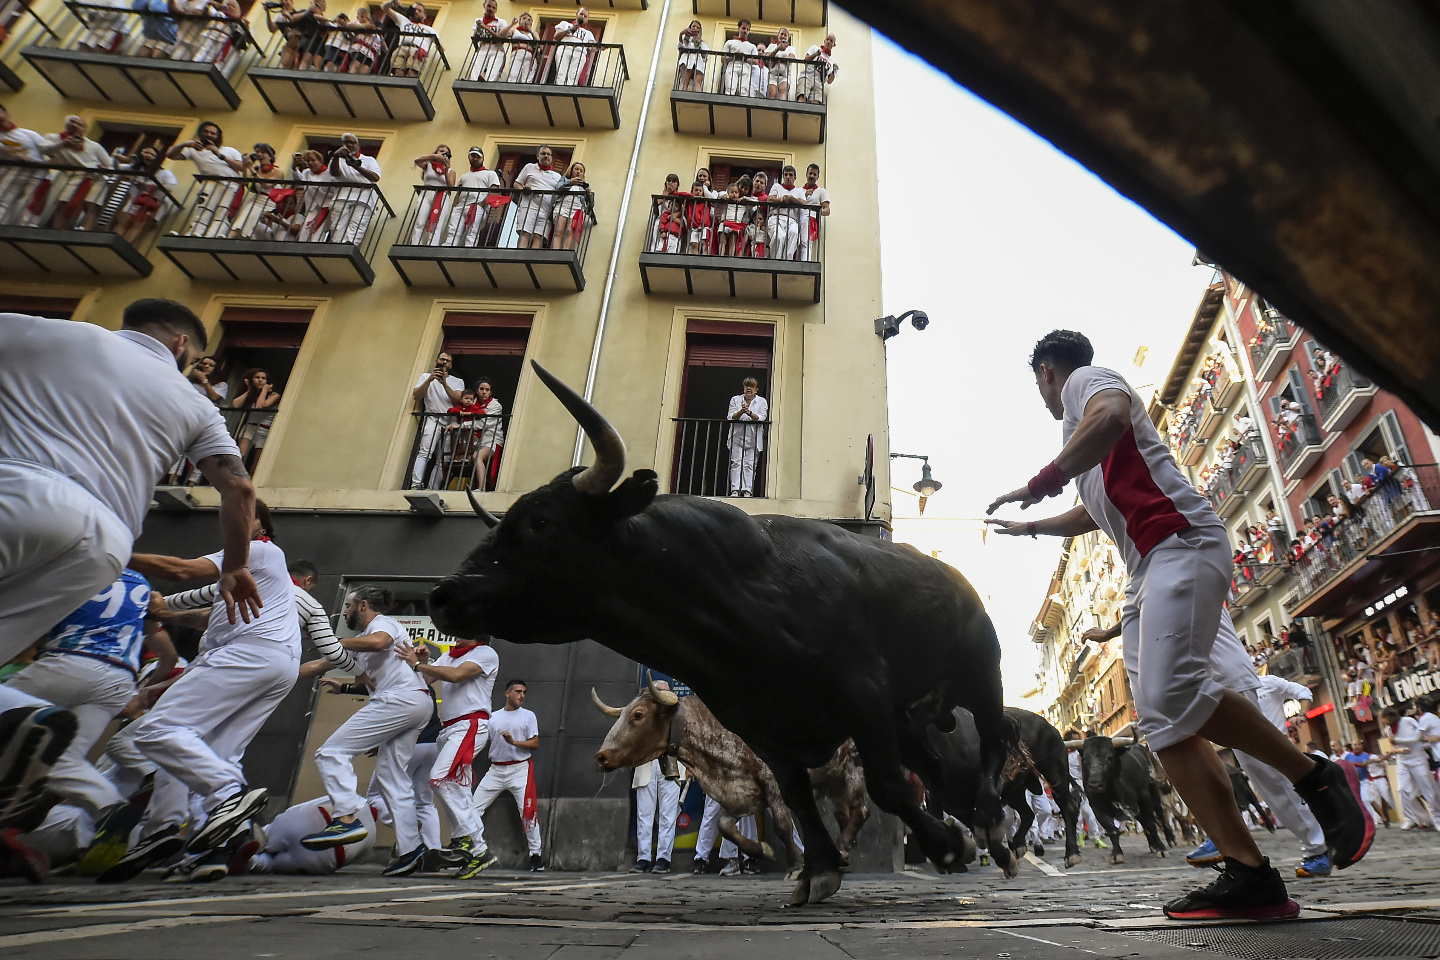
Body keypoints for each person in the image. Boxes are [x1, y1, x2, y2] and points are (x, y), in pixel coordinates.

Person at [985, 330, 1370, 921]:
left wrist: (1039, 483)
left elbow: (1112, 414)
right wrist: (1034, 527)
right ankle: (1249, 876)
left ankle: (1319, 778)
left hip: (1181, 543)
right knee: (1163, 726)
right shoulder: (1080, 437)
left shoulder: (1087, 386)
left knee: (1173, 693)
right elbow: (1093, 511)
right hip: (1146, 568)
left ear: (1046, 372)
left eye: (1040, 379)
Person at [0, 300, 257, 831]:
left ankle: (14, 719)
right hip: (107, 540)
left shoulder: (54, 334)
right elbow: (239, 486)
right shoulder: (194, 403)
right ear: (182, 346)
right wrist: (234, 566)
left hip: (17, 490)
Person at [98, 501, 297, 883]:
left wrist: (115, 552)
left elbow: (181, 570)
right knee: (206, 751)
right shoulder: (258, 570)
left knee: (158, 732)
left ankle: (227, 798)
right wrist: (166, 615)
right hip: (275, 662)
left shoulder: (256, 551)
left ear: (260, 526)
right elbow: (207, 615)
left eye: (246, 515)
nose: (236, 519)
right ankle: (199, 843)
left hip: (247, 655)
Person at [6, 571, 175, 870]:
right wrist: (144, 690)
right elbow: (168, 654)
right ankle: (109, 806)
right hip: (118, 679)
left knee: (11, 721)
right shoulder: (141, 583)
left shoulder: (76, 567)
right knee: (61, 758)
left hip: (69, 662)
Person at [301, 585, 432, 877]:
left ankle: (346, 817)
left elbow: (380, 643)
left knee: (331, 752)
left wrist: (338, 641)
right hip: (414, 702)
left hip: (400, 699)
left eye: (348, 606)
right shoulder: (360, 640)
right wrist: (273, 675)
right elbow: (317, 666)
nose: (345, 612)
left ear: (362, 606)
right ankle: (411, 850)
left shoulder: (382, 623)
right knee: (391, 778)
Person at [400, 636, 499, 879]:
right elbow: (427, 679)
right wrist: (423, 662)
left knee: (440, 779)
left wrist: (418, 664)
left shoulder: (485, 653)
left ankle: (467, 840)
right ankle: (478, 850)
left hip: (470, 724)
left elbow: (455, 676)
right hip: (451, 729)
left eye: (459, 627)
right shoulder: (450, 655)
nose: (454, 632)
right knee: (457, 787)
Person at [472, 679, 544, 872]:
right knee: (472, 808)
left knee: (528, 813)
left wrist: (514, 742)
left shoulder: (528, 716)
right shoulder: (493, 718)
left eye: (524, 692)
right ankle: (474, 851)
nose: (522, 695)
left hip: (520, 769)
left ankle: (536, 855)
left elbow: (535, 743)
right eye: (518, 691)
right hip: (495, 769)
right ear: (507, 693)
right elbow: (481, 741)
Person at [248, 797, 377, 874]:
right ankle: (251, 862)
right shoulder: (372, 838)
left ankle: (240, 840)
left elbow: (304, 806)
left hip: (314, 822)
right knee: (271, 864)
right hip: (326, 860)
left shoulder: (357, 800)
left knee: (265, 838)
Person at [167, 121, 246, 238]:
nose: (209, 135)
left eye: (213, 133)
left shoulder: (229, 150)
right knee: (204, 208)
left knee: (223, 210)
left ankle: (215, 234)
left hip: (232, 184)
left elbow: (242, 167)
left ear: (218, 136)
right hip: (209, 182)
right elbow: (170, 155)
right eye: (206, 132)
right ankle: (195, 233)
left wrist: (219, 154)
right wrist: (184, 144)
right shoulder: (193, 150)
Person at [38, 116, 112, 232]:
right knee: (64, 203)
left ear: (84, 129)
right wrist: (63, 144)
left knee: (89, 205)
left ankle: (84, 230)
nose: (75, 125)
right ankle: (57, 230)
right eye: (72, 122)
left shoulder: (94, 146)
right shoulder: (54, 138)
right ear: (66, 124)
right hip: (70, 176)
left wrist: (102, 167)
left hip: (93, 177)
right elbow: (43, 149)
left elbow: (109, 164)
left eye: (79, 124)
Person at [409, 351, 464, 488]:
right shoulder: (425, 376)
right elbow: (416, 396)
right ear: (436, 361)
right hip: (432, 419)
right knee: (425, 453)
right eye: (442, 359)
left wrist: (444, 383)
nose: (445, 362)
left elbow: (458, 400)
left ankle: (432, 488)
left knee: (443, 460)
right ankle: (416, 485)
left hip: (449, 422)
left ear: (451, 365)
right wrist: (430, 380)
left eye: (448, 361)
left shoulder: (457, 381)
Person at [111, 143, 180, 245]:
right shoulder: (134, 168)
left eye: (152, 155)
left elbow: (171, 186)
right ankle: (113, 243)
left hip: (150, 204)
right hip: (134, 201)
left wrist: (152, 185)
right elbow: (114, 167)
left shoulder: (165, 173)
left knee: (138, 225)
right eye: (146, 152)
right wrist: (120, 157)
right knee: (123, 221)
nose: (148, 156)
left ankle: (123, 246)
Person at [1383, 705, 1439, 829]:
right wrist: (1399, 750)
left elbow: (1418, 737)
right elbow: (1395, 746)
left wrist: (1425, 743)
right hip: (1402, 760)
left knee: (1428, 790)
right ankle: (1413, 819)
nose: (1386, 721)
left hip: (1417, 758)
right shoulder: (1388, 730)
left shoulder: (1408, 721)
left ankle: (1437, 819)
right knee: (1402, 789)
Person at [326, 133, 382, 245]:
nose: (350, 145)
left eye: (352, 142)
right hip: (341, 197)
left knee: (356, 227)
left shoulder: (368, 160)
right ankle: (336, 248)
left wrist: (355, 166)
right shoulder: (337, 160)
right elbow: (334, 173)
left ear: (358, 145)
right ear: (342, 145)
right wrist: (336, 156)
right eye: (346, 143)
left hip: (364, 198)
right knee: (337, 226)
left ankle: (348, 248)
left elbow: (375, 177)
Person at [444, 146, 504, 247]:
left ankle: (468, 252)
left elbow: (494, 190)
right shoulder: (464, 176)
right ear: (469, 157)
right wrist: (456, 205)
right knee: (453, 231)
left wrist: (481, 204)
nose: (475, 159)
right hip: (461, 207)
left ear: (483, 158)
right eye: (473, 156)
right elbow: (459, 193)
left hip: (476, 206)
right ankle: (449, 249)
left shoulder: (490, 174)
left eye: (478, 157)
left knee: (472, 232)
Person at [513, 145, 566, 249]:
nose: (546, 156)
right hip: (529, 207)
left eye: (548, 154)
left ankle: (532, 261)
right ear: (537, 156)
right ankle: (520, 257)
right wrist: (524, 189)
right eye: (543, 153)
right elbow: (516, 184)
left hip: (546, 211)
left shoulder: (557, 176)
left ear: (551, 157)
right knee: (525, 233)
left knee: (539, 236)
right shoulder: (529, 167)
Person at [631, 756, 678, 873]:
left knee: (668, 816)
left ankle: (663, 858)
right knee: (643, 815)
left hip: (672, 761)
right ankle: (643, 857)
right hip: (646, 761)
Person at [232, 368, 281, 470]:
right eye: (257, 377)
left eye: (263, 378)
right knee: (241, 454)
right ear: (251, 380)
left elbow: (260, 406)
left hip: (264, 430)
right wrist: (249, 390)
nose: (260, 380)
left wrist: (264, 390)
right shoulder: (250, 394)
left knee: (257, 462)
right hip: (249, 427)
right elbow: (235, 405)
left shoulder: (275, 395)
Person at [727, 377, 768, 497]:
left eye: (751, 386)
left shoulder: (762, 402)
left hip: (753, 439)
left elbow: (761, 418)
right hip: (737, 437)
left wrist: (749, 412)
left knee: (749, 464)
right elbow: (731, 417)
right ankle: (735, 490)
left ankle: (747, 490)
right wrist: (742, 411)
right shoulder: (735, 399)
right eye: (746, 386)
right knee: (736, 463)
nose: (748, 388)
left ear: (756, 389)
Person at [410, 144, 456, 245]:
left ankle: (432, 245)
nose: (443, 153)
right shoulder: (428, 165)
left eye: (446, 152)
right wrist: (433, 157)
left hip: (442, 196)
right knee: (420, 221)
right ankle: (415, 245)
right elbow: (417, 160)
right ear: (436, 152)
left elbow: (451, 187)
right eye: (441, 151)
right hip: (426, 194)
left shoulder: (450, 171)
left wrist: (446, 169)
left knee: (437, 224)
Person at [382, 0, 440, 78]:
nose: (416, 12)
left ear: (424, 16)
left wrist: (427, 52)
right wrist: (392, 2)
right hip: (402, 48)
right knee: (398, 74)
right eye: (415, 9)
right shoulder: (404, 21)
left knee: (411, 75)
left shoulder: (429, 29)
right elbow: (384, 7)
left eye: (419, 11)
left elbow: (439, 45)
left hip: (417, 50)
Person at [1342, 741, 1391, 828]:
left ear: (1362, 746)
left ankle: (1371, 821)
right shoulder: (1348, 756)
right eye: (1355, 745)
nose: (1356, 747)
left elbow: (1364, 765)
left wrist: (1355, 764)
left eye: (1358, 745)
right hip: (1353, 782)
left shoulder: (1366, 755)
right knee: (1367, 800)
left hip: (1365, 780)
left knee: (1367, 799)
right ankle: (1382, 818)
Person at [765, 165, 806, 261]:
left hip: (792, 220)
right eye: (786, 175)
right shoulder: (777, 186)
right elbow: (770, 199)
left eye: (790, 175)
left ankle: (788, 260)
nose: (788, 177)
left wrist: (792, 199)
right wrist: (782, 199)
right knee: (779, 236)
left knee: (795, 232)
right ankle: (776, 260)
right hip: (776, 218)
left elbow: (804, 203)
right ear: (783, 177)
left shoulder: (799, 191)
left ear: (795, 178)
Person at [552, 161, 592, 252]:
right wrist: (570, 182)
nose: (578, 172)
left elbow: (591, 205)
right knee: (559, 230)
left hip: (576, 209)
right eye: (576, 169)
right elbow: (557, 189)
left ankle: (565, 252)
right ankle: (555, 252)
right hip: (563, 206)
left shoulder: (585, 186)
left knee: (570, 231)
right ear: (571, 170)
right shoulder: (564, 180)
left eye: (581, 170)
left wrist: (589, 194)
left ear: (583, 174)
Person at [552, 7, 596, 86]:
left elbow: (593, 48)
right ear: (576, 14)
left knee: (573, 77)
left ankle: (568, 93)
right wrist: (570, 29)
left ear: (587, 20)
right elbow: (556, 36)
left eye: (585, 16)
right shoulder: (565, 24)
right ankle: (559, 91)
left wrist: (601, 47)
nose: (582, 17)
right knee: (561, 74)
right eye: (581, 14)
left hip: (579, 53)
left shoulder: (588, 33)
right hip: (565, 49)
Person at [468, 0, 508, 81]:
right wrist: (479, 28)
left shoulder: (501, 22)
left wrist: (485, 27)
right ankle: (474, 82)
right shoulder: (478, 20)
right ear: (484, 5)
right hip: (483, 47)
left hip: (497, 48)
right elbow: (476, 36)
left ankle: (489, 83)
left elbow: (501, 37)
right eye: (489, 6)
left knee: (493, 70)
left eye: (493, 7)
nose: (491, 9)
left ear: (496, 10)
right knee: (477, 68)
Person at [797, 163, 829, 262]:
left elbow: (827, 210)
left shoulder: (821, 191)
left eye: (814, 174)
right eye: (810, 173)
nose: (812, 176)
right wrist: (804, 195)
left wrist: (816, 210)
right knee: (796, 240)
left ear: (818, 177)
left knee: (806, 242)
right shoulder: (799, 190)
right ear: (806, 174)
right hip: (797, 218)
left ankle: (805, 262)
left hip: (809, 219)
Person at [721, 19, 759, 96]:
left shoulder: (752, 46)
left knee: (744, 90)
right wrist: (734, 55)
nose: (745, 31)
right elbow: (722, 59)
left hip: (746, 66)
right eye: (744, 28)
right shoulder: (730, 42)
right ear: (738, 28)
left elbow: (756, 61)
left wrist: (744, 57)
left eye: (748, 29)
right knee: (730, 88)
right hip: (732, 65)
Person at [796, 33, 837, 102]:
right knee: (801, 99)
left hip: (818, 84)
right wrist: (815, 54)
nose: (829, 42)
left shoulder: (832, 61)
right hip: (807, 77)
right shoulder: (815, 48)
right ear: (824, 41)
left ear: (834, 45)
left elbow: (829, 81)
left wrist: (834, 70)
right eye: (827, 39)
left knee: (815, 105)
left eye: (831, 41)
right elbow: (806, 60)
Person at [500, 12, 539, 83]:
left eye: (528, 19)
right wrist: (511, 24)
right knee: (513, 75)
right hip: (517, 53)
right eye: (524, 18)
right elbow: (502, 35)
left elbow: (538, 42)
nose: (526, 21)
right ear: (520, 21)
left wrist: (529, 29)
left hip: (529, 55)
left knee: (527, 79)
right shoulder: (514, 30)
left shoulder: (533, 33)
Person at [651, 174, 685, 253]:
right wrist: (666, 193)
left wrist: (676, 215)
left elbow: (683, 209)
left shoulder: (679, 196)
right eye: (669, 181)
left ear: (677, 185)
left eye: (673, 182)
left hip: (672, 220)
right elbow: (657, 203)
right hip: (662, 218)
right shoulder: (663, 194)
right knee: (657, 232)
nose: (671, 183)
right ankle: (654, 251)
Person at [346, 5, 385, 74]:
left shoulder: (375, 33)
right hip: (360, 48)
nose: (364, 18)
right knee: (356, 64)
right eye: (362, 16)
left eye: (366, 17)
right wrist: (364, 26)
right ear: (358, 17)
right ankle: (350, 78)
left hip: (371, 53)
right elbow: (349, 26)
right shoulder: (358, 25)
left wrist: (380, 34)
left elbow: (385, 48)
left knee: (365, 69)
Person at [764, 27, 797, 100]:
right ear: (778, 35)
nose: (783, 36)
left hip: (785, 76)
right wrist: (777, 49)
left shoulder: (791, 48)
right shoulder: (772, 46)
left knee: (783, 91)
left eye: (785, 35)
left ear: (788, 38)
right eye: (781, 34)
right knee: (772, 94)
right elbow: (766, 57)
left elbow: (791, 58)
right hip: (773, 75)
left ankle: (781, 110)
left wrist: (776, 60)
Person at [676, 19, 708, 92]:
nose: (695, 28)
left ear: (700, 30)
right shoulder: (686, 40)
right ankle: (682, 94)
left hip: (698, 62)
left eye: (698, 27)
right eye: (693, 26)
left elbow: (705, 56)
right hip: (686, 60)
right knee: (685, 81)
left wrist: (699, 43)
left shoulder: (703, 44)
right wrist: (681, 34)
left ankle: (699, 97)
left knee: (698, 82)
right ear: (690, 28)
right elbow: (680, 47)